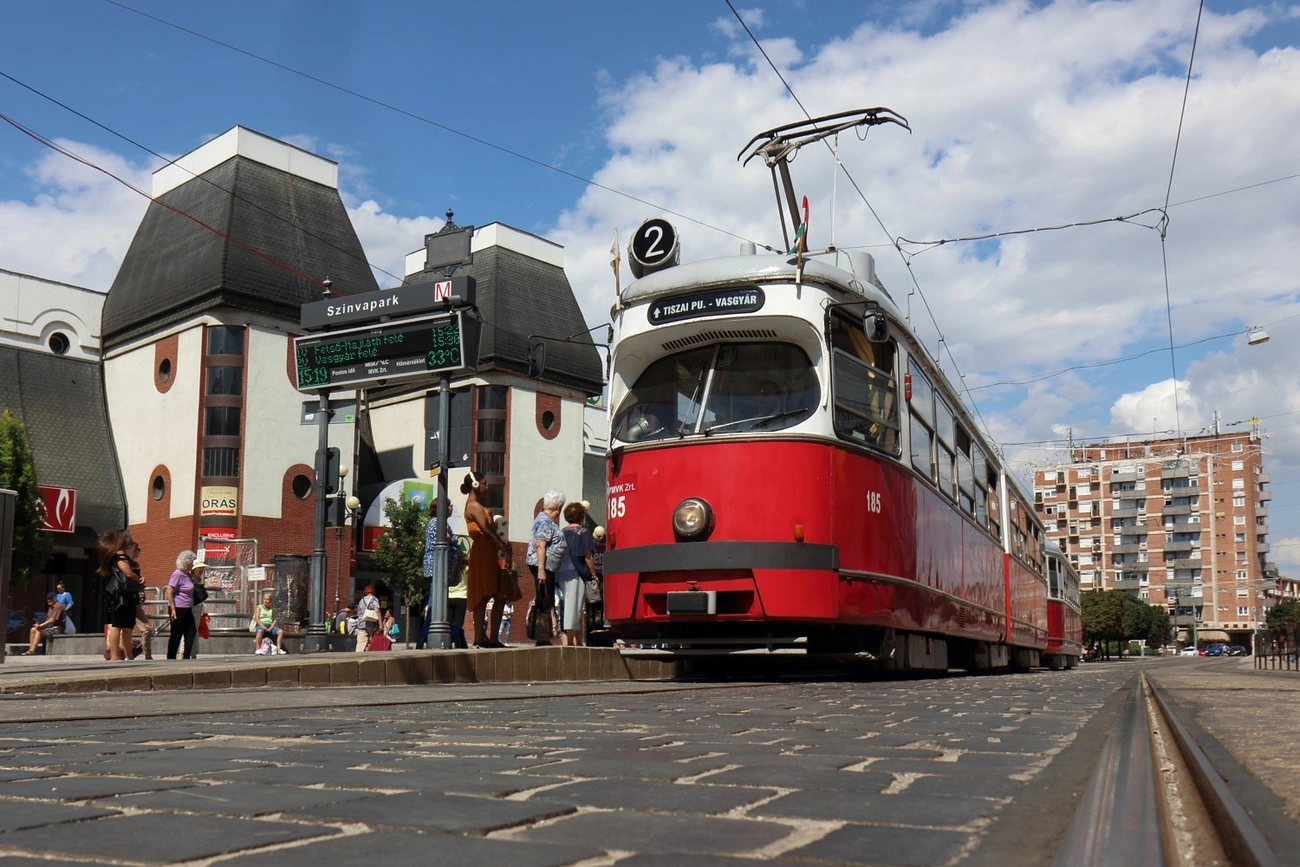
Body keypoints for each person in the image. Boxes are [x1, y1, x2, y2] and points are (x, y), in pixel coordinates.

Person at [462, 471, 512, 648]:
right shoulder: (473, 506)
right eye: (484, 483)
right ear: (476, 485)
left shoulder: (476, 505)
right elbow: (487, 531)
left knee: (499, 593)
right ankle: (479, 638)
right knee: (483, 594)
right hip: (484, 550)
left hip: (489, 550)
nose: (487, 486)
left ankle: (491, 638)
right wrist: (502, 547)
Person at [98, 529, 145, 662]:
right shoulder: (120, 557)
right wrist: (139, 580)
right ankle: (115, 656)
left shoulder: (120, 556)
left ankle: (128, 655)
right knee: (118, 625)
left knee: (126, 627)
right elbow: (128, 573)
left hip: (125, 594)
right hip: (120, 596)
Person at [526, 490, 566, 646]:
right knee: (544, 599)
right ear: (558, 507)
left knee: (545, 599)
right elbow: (540, 545)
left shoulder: (545, 520)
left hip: (547, 566)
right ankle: (542, 637)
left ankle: (543, 636)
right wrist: (541, 570)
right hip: (543, 566)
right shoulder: (545, 521)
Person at [556, 502, 597, 647]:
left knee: (573, 606)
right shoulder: (583, 532)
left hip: (560, 573)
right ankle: (569, 643)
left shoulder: (561, 532)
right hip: (576, 573)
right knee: (574, 608)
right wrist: (593, 574)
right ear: (582, 516)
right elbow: (588, 556)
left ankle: (578, 642)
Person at [165, 550, 204, 660]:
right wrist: (173, 609)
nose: (193, 564)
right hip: (178, 608)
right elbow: (169, 592)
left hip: (188, 608)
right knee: (177, 634)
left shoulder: (187, 575)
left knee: (191, 631)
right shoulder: (177, 574)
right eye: (192, 562)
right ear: (187, 562)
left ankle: (186, 656)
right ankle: (171, 657)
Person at [355, 585, 380, 652]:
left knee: (361, 642)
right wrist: (380, 624)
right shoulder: (374, 599)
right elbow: (377, 611)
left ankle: (358, 654)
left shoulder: (361, 600)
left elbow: (358, 613)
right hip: (370, 623)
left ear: (365, 592)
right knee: (371, 641)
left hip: (361, 622)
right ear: (373, 591)